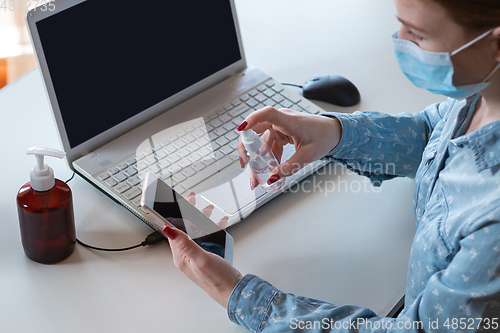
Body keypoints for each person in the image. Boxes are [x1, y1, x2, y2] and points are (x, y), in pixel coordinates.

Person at [162, 0, 500, 331]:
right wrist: (333, 133)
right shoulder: (480, 93)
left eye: (417, 34)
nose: (399, 41)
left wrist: (235, 293)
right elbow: (433, 132)